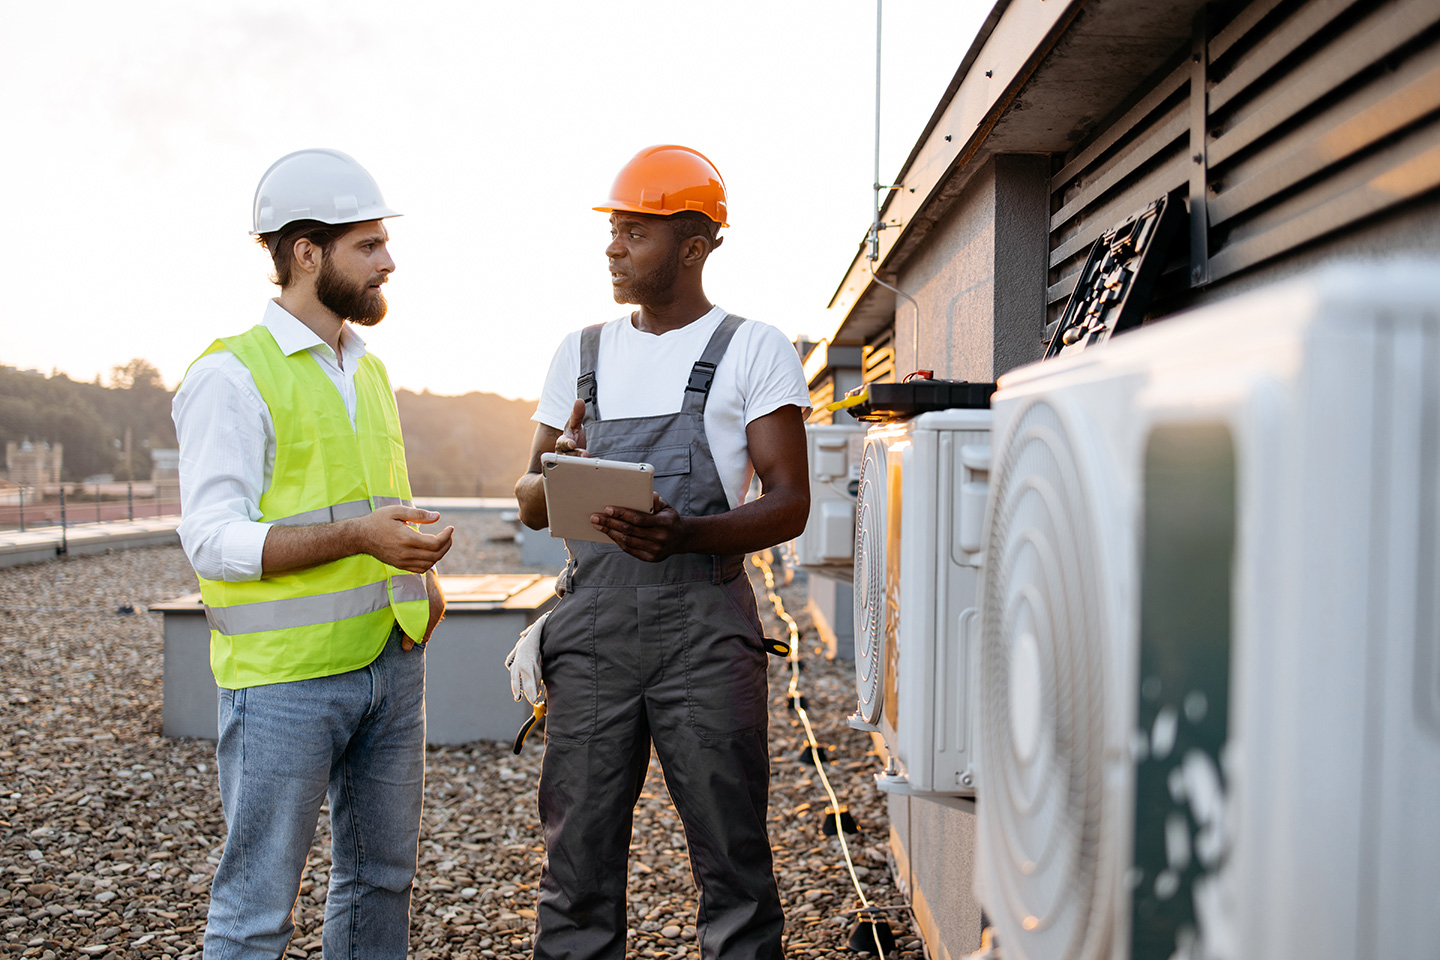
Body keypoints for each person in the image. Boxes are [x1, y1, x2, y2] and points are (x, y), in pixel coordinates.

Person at [513, 144, 811, 960]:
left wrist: (688, 534)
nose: (613, 247)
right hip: (593, 632)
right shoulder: (579, 354)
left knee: (733, 863)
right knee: (575, 867)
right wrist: (555, 466)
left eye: (635, 233)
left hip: (705, 633)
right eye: (612, 231)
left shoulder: (753, 349)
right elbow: (531, 507)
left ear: (694, 245)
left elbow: (789, 503)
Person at [172, 148, 451, 960]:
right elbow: (213, 541)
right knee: (256, 910)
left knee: (379, 884)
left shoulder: (368, 371)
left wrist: (420, 576)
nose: (388, 261)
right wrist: (360, 539)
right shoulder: (230, 376)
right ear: (306, 253)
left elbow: (371, 506)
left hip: (391, 667)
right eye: (368, 245)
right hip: (285, 682)